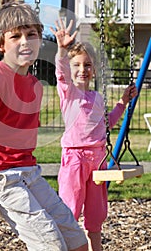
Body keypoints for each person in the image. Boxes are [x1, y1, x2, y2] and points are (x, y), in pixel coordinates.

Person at [0, 2, 88, 251]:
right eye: (16, 36)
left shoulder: (34, 85)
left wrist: (62, 51)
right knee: (52, 245)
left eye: (32, 35)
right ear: (1, 45)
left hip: (30, 173)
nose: (25, 41)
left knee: (78, 241)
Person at [50, 18, 138, 251]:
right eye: (77, 65)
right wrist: (62, 50)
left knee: (96, 216)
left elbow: (106, 125)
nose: (82, 70)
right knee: (70, 211)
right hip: (75, 160)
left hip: (98, 160)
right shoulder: (69, 94)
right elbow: (60, 73)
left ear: (94, 69)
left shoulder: (97, 98)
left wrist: (122, 102)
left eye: (87, 65)